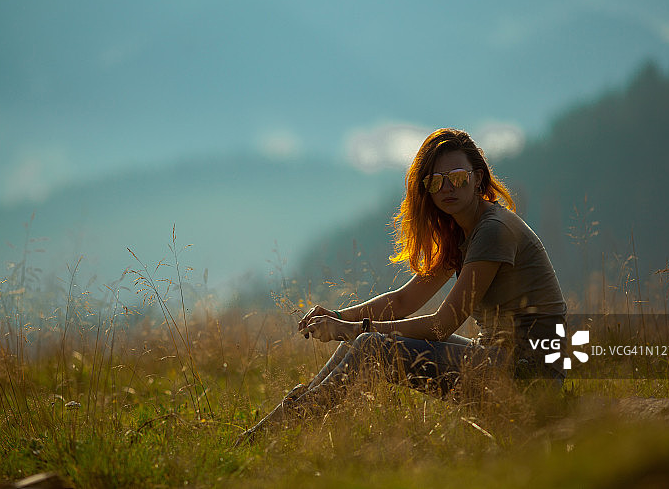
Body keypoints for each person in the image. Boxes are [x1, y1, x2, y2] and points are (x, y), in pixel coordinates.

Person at [236, 127, 567, 445]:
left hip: (528, 376)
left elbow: (442, 325)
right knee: (360, 342)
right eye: (435, 181)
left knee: (369, 345)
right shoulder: (463, 232)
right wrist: (339, 317)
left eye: (457, 177)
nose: (447, 188)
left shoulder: (493, 230)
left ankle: (284, 426)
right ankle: (282, 422)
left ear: (478, 177)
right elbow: (405, 300)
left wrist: (353, 329)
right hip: (497, 359)